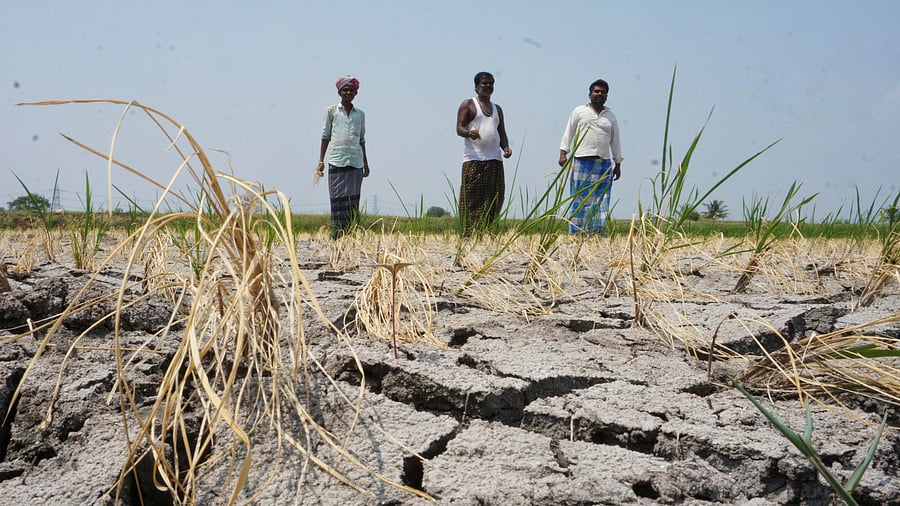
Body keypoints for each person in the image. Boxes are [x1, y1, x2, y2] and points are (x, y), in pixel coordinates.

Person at [558, 78, 623, 235]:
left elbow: (615, 140)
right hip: (581, 160)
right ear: (590, 94)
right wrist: (563, 152)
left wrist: (618, 163)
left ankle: (596, 232)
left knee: (601, 199)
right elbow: (569, 132)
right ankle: (576, 232)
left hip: (603, 163)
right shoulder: (579, 111)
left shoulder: (611, 116)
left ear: (607, 96)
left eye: (602, 92)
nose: (599, 94)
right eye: (596, 91)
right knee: (579, 198)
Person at [456, 71, 512, 236]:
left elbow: (501, 133)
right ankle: (469, 233)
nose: (487, 86)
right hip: (474, 159)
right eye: (484, 84)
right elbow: (459, 128)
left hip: (494, 159)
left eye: (490, 84)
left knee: (495, 197)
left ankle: (488, 232)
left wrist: (506, 148)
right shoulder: (468, 105)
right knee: (471, 198)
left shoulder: (497, 109)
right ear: (476, 87)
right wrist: (469, 133)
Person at [317, 75, 370, 239]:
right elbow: (325, 136)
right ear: (340, 92)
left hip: (355, 162)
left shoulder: (360, 115)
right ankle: (336, 237)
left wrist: (366, 164)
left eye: (351, 90)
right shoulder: (331, 111)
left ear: (356, 93)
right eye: (345, 90)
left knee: (353, 202)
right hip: (336, 160)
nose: (348, 92)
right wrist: (321, 161)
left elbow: (361, 139)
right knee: (337, 201)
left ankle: (351, 237)